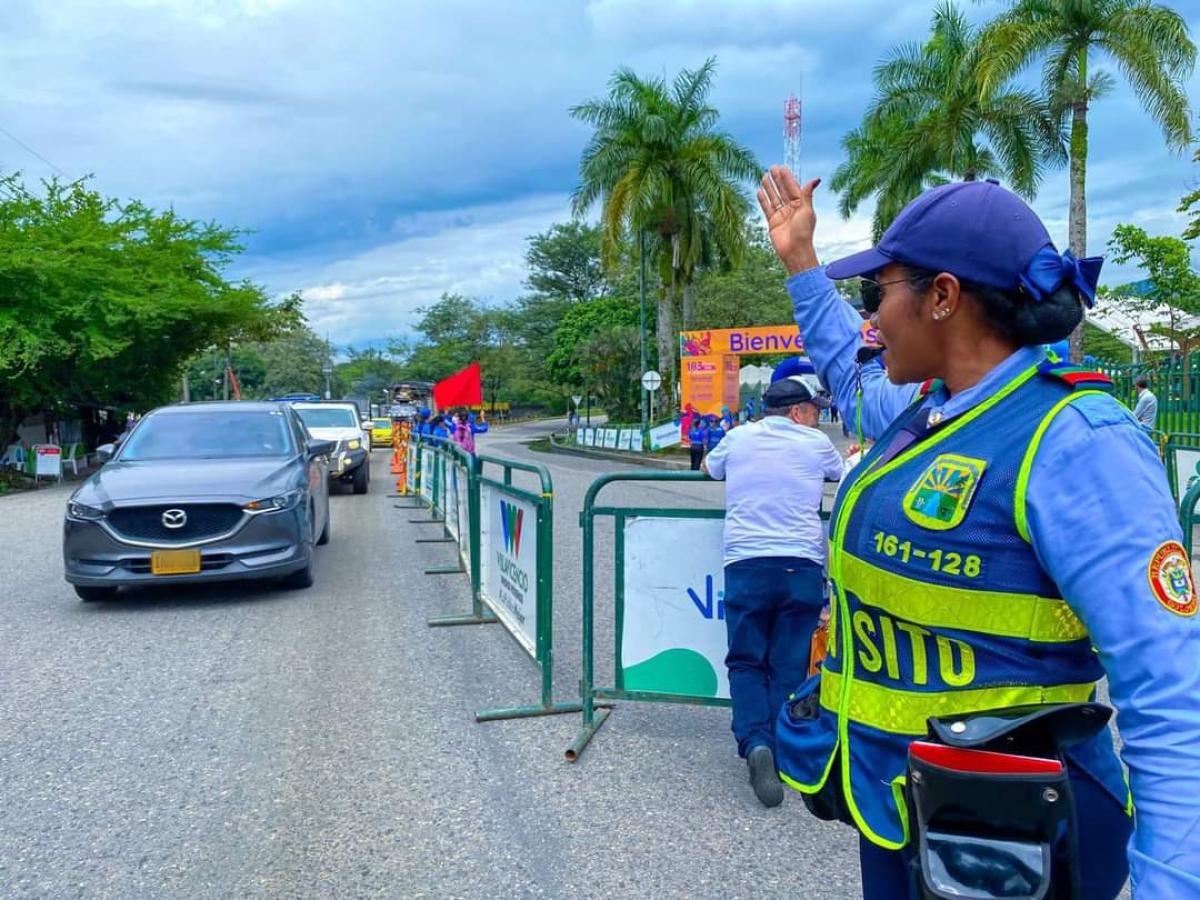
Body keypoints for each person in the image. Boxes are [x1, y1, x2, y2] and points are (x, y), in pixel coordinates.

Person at [757, 166, 1200, 898]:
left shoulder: (1075, 441)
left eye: (878, 293)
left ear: (942, 297)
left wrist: (1172, 886)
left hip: (1020, 837)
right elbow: (852, 378)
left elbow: (1171, 692)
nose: (871, 320)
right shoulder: (933, 407)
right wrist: (802, 264)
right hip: (911, 810)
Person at [702, 376, 844, 807]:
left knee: (745, 660)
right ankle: (782, 747)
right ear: (798, 412)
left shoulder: (737, 437)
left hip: (747, 563)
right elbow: (843, 473)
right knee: (788, 661)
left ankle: (755, 743)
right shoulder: (815, 444)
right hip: (799, 564)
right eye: (815, 412)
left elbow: (709, 468)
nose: (818, 419)